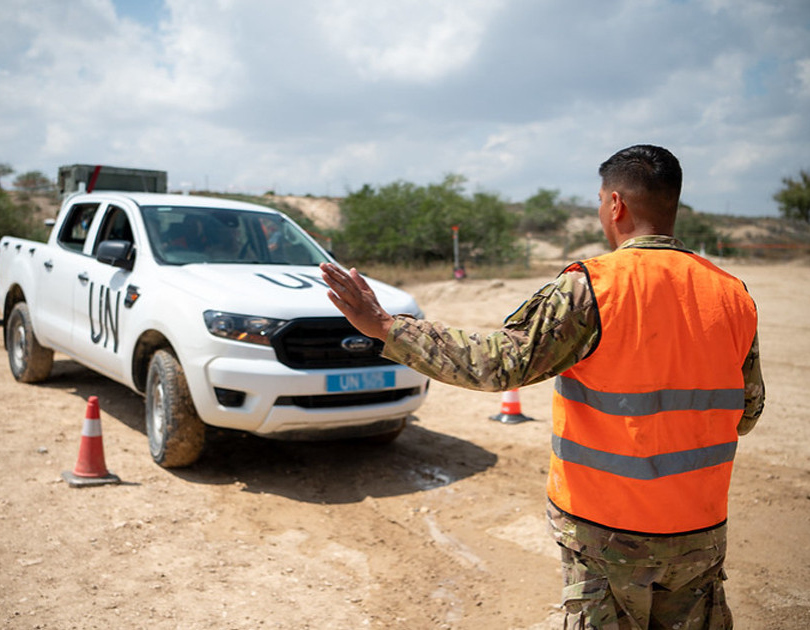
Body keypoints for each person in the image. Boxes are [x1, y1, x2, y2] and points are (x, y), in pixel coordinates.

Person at [319, 144, 765, 630]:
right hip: (699, 533)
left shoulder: (592, 286)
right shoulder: (733, 294)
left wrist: (388, 328)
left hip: (607, 535)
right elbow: (747, 410)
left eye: (599, 201)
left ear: (615, 204)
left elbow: (500, 364)